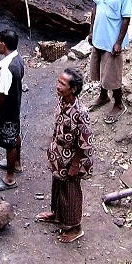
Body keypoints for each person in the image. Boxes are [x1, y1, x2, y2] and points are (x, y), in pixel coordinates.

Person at [37, 68, 93, 243]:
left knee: (70, 191)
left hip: (72, 159)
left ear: (73, 89)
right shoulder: (62, 102)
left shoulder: (81, 113)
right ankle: (57, 215)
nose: (58, 86)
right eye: (58, 82)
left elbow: (85, 143)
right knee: (58, 185)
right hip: (59, 155)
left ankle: (76, 227)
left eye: (62, 84)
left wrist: (75, 165)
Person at [87, 0, 132, 124]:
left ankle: (119, 104)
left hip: (112, 41)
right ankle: (103, 96)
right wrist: (91, 31)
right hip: (99, 36)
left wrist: (119, 42)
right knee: (100, 69)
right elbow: (95, 8)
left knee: (112, 74)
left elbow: (126, 18)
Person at [0, 29, 24, 191]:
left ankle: (9, 178)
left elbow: (2, 94)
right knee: (15, 134)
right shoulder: (18, 59)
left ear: (4, 45)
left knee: (9, 142)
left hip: (7, 110)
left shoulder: (6, 69)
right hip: (15, 106)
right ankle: (17, 163)